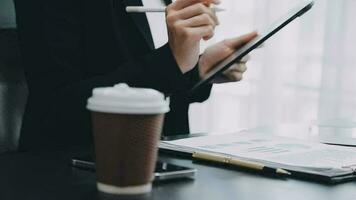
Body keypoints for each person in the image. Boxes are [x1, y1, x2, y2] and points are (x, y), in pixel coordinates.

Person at [14, 0, 257, 151]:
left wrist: (198, 70)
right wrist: (172, 62)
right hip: (69, 173)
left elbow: (150, 72)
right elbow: (56, 106)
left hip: (164, 166)